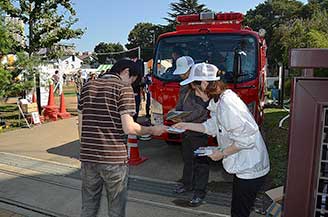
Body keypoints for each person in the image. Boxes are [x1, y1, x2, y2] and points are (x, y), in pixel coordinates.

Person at [173, 63, 270, 217]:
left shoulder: (227, 105)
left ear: (205, 84)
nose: (196, 95)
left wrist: (221, 153)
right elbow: (211, 126)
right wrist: (185, 125)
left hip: (251, 167)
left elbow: (247, 139)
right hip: (244, 165)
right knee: (238, 208)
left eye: (196, 90)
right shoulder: (219, 101)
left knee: (239, 211)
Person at [78, 59, 167, 217]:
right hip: (113, 158)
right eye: (133, 79)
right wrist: (152, 130)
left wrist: (86, 147)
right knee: (116, 207)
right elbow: (129, 127)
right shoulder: (123, 88)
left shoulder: (87, 86)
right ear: (126, 71)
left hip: (87, 157)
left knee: (88, 205)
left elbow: (81, 123)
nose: (132, 84)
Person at [171, 56, 210, 207]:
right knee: (187, 159)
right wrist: (175, 113)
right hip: (186, 129)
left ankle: (200, 192)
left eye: (184, 72)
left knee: (201, 163)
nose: (181, 75)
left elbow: (201, 110)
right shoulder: (183, 86)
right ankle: (187, 184)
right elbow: (180, 105)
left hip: (199, 130)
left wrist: (184, 120)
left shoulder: (200, 84)